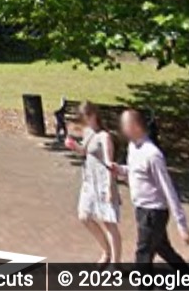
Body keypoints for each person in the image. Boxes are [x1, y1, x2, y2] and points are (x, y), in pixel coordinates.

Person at [113, 109, 189, 270]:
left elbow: (168, 188)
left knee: (143, 255)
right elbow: (135, 172)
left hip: (153, 212)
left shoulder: (153, 155)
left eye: (126, 125)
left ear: (136, 126)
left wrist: (182, 224)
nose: (122, 129)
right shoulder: (133, 147)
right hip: (141, 209)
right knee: (163, 248)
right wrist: (120, 170)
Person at [63, 101, 121, 265]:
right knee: (84, 216)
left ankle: (115, 264)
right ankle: (106, 250)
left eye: (84, 118)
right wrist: (75, 146)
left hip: (103, 183)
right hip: (89, 182)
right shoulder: (87, 132)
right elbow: (85, 151)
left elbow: (110, 163)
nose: (81, 122)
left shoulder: (105, 137)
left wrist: (110, 188)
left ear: (92, 116)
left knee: (109, 224)